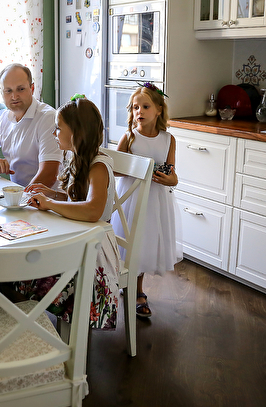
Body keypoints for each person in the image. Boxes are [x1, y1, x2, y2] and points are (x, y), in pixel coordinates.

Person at [20, 98, 121, 329]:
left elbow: (92, 210)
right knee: (25, 268)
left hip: (95, 249)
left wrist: (50, 204)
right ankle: (29, 326)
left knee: (31, 271)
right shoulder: (77, 158)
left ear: (76, 133)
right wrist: (53, 195)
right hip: (79, 237)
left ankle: (43, 331)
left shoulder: (98, 166)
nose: (54, 133)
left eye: (58, 128)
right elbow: (78, 200)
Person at [113, 83, 181, 318]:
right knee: (132, 243)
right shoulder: (129, 137)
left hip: (156, 201)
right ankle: (130, 288)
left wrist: (169, 179)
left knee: (145, 244)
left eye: (145, 106)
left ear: (159, 110)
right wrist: (135, 168)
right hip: (131, 199)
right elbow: (114, 169)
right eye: (135, 107)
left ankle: (136, 288)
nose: (139, 111)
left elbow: (173, 175)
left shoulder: (168, 140)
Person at [0, 63, 62, 187]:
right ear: (2, 93)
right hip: (20, 194)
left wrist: (21, 197)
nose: (14, 96)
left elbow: (49, 175)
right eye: (8, 91)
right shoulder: (5, 118)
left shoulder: (48, 117)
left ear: (32, 88)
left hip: (45, 197)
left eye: (20, 89)